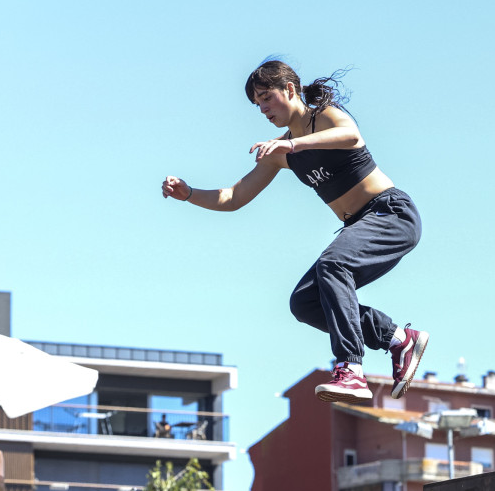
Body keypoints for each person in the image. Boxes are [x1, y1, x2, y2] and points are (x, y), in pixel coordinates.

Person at [161, 60, 429, 403]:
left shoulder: (324, 117)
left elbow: (351, 136)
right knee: (304, 302)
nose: (264, 110)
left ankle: (351, 368)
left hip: (389, 214)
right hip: (359, 225)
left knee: (334, 264)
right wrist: (189, 195)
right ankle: (396, 338)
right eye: (258, 105)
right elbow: (233, 197)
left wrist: (293, 145)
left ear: (290, 90)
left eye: (267, 98)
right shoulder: (279, 152)